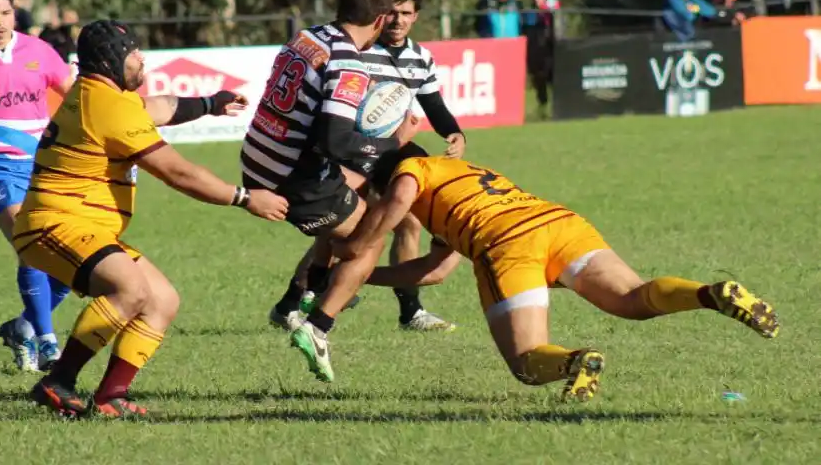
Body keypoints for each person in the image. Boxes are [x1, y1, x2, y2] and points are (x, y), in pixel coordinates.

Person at [332, 144, 780, 399]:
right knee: (632, 299)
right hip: (557, 223)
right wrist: (362, 277)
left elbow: (396, 200)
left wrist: (354, 250)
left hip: (508, 243)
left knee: (527, 362)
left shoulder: (411, 169)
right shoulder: (466, 174)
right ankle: (709, 293)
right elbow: (432, 271)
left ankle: (574, 361)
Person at [12, 20, 288, 418]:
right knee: (129, 289)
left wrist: (210, 104)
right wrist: (245, 198)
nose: (142, 59)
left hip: (82, 225)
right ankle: (59, 380)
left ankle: (111, 397)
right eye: (134, 52)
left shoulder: (101, 96)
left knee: (161, 300)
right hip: (53, 223)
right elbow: (178, 173)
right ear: (111, 59)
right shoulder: (106, 106)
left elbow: (158, 108)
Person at [240, 0, 420, 382]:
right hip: (292, 175)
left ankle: (309, 290)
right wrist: (393, 142)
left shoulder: (307, 38)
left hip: (258, 155)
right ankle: (318, 324)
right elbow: (336, 140)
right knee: (371, 233)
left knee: (350, 192)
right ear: (378, 20)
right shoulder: (349, 65)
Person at [268, 0, 464, 333]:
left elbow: (434, 104)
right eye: (392, 12)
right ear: (379, 15)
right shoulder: (358, 49)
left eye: (406, 13)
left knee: (408, 221)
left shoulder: (421, 58)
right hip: (351, 150)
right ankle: (294, 301)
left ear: (416, 16)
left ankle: (411, 311)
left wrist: (453, 131)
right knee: (336, 231)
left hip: (390, 153)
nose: (398, 20)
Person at [0, 0, 75, 372]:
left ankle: (24, 328)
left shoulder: (38, 50)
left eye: (5, 13)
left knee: (68, 263)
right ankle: (49, 344)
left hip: (46, 166)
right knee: (31, 244)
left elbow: (76, 95)